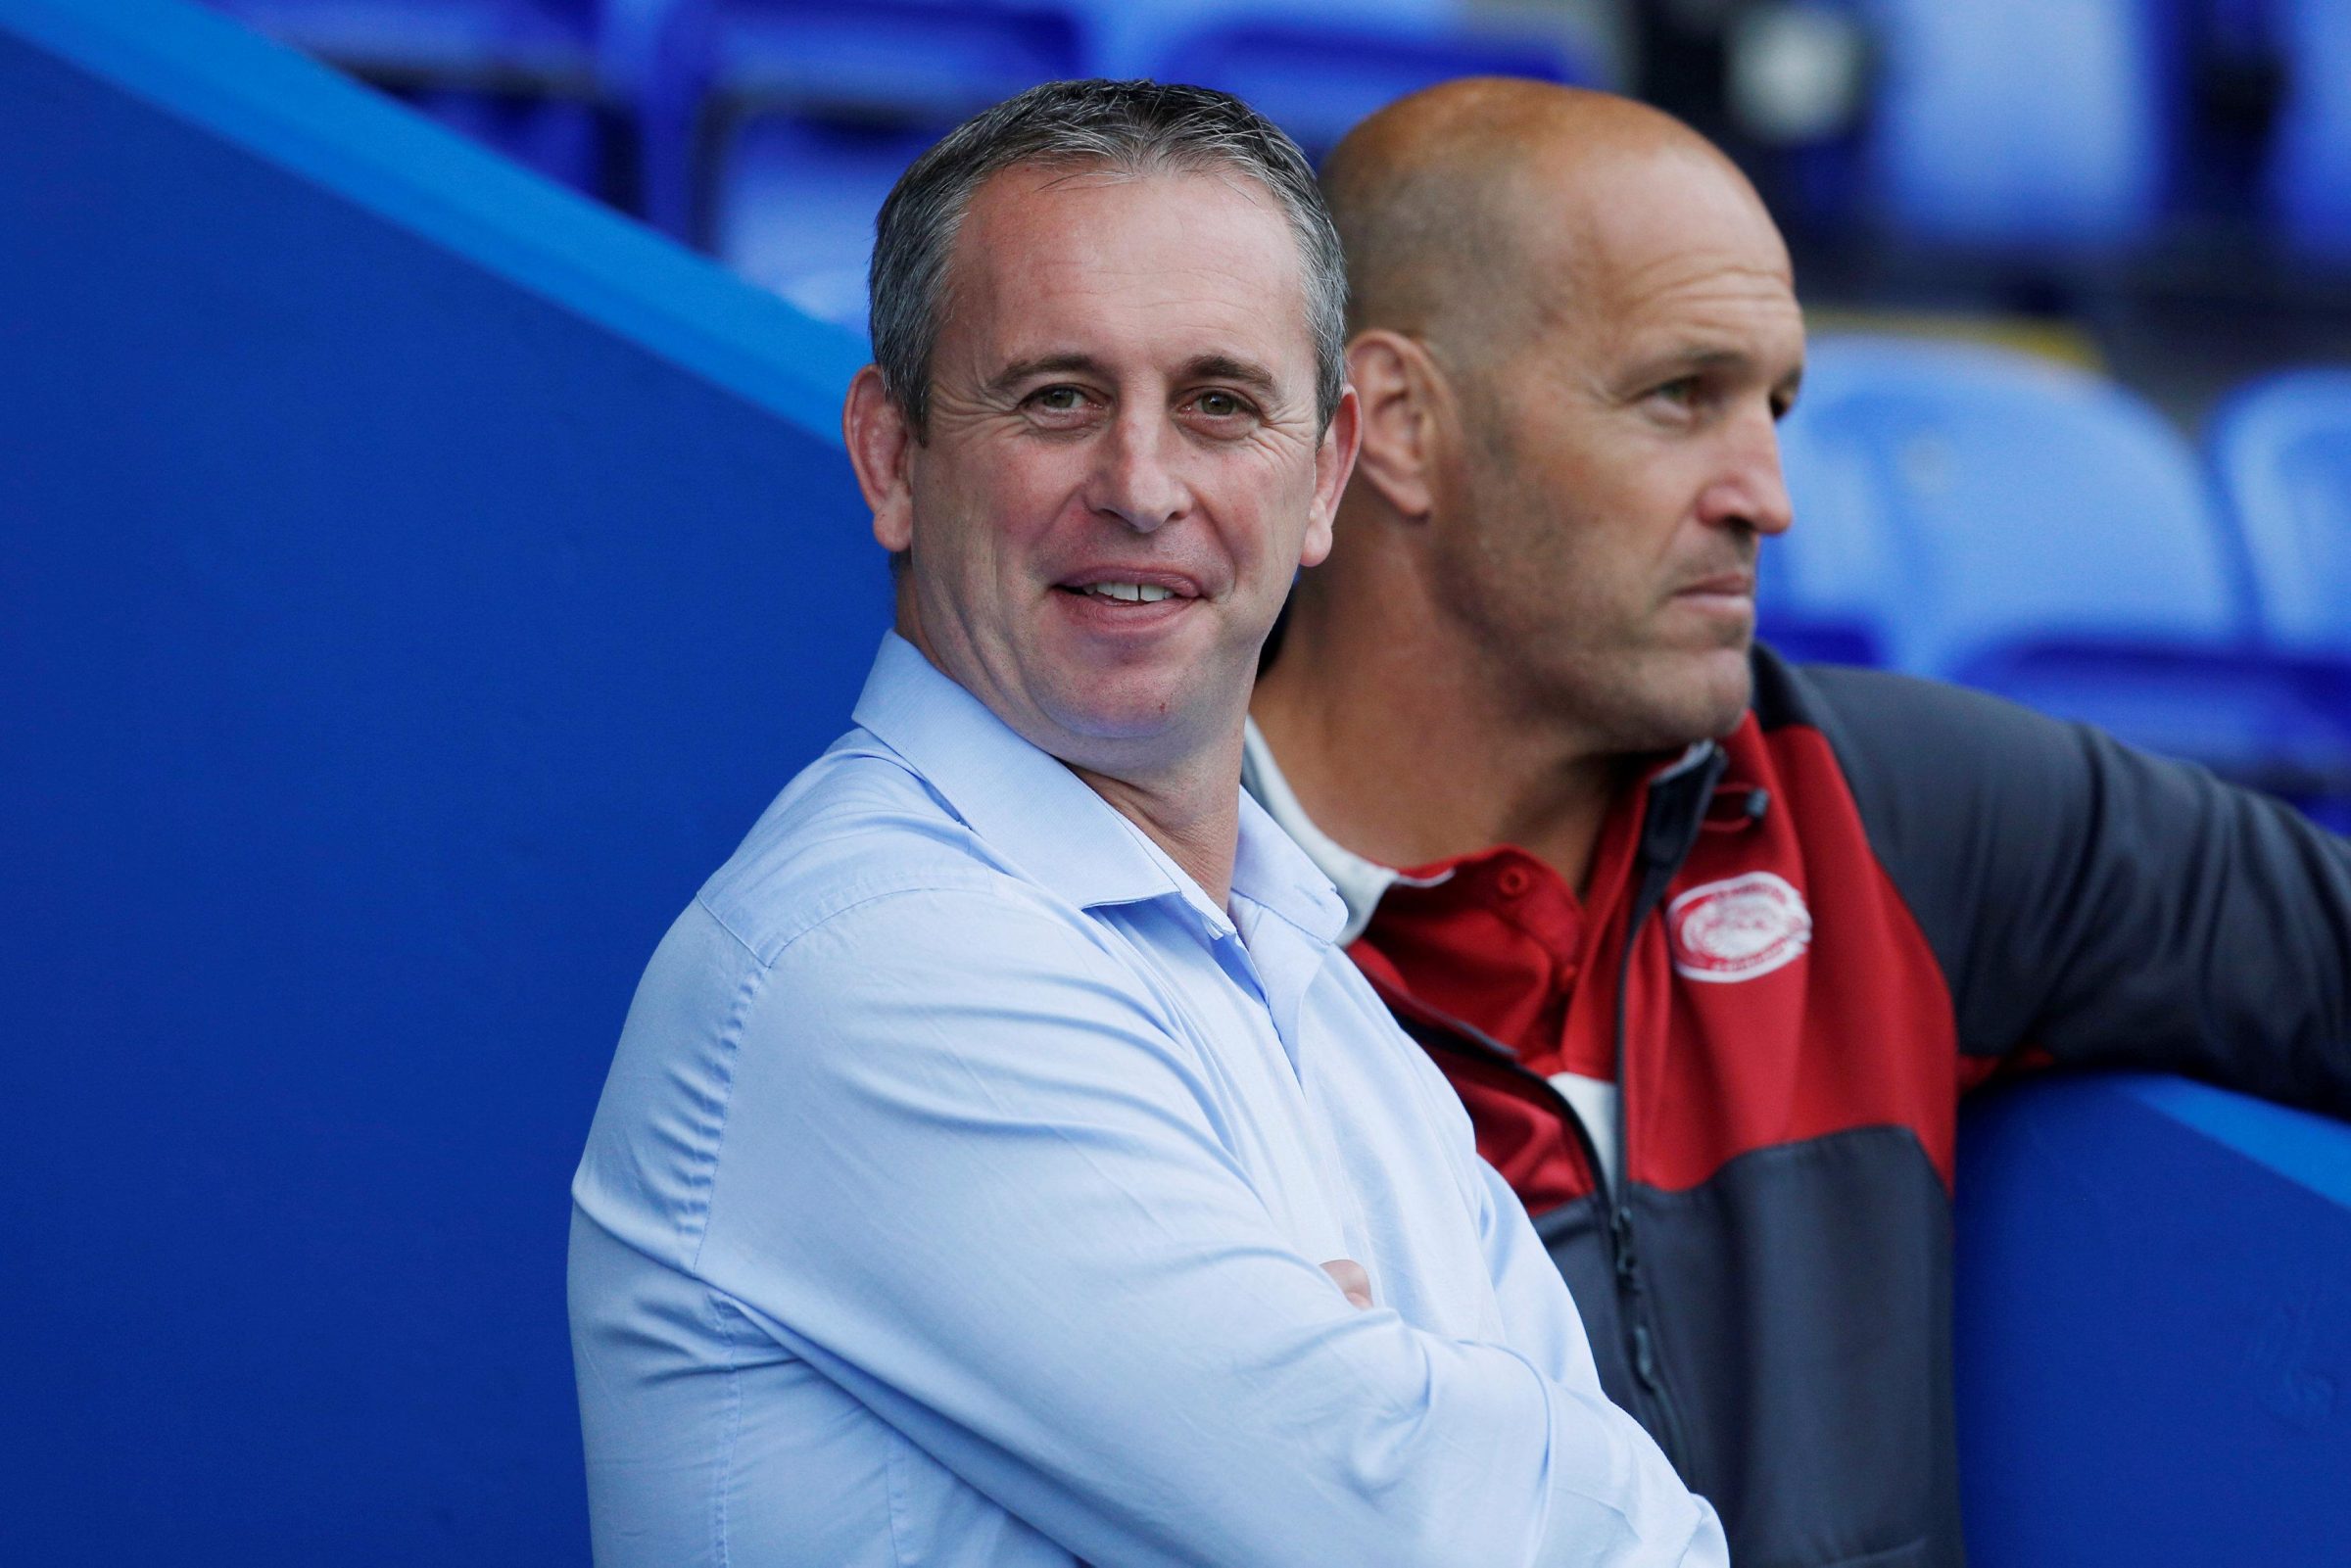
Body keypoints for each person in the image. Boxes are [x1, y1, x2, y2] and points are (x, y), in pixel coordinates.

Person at [568, 79, 1727, 1568]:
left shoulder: (1312, 980)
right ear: (892, 456)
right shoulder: (874, 960)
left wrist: (1425, 1438)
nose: (1140, 486)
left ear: (1326, 476)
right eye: (1056, 397)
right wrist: (1435, 1431)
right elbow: (1441, 1536)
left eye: (1219, 404)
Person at [1247, 77, 2351, 1568]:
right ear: (1396, 423)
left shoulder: (1891, 807)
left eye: (1772, 406)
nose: (1768, 496)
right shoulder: (1123, 926)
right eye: (1679, 396)